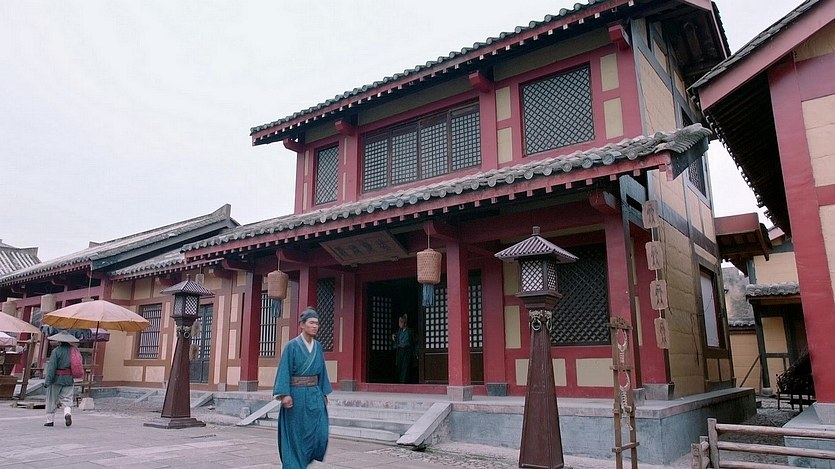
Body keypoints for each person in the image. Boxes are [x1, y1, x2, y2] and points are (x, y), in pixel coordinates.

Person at [272, 307, 333, 469]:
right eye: (311, 323)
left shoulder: (318, 347)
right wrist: (284, 394)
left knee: (319, 431)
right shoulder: (291, 346)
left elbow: (322, 370)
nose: (315, 326)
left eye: (317, 323)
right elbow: (284, 370)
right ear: (302, 325)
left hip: (314, 393)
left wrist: (324, 393)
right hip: (296, 395)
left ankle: (306, 458)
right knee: (296, 434)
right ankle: (294, 465)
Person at [43, 331, 78, 427]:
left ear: (59, 341)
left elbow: (51, 367)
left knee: (51, 399)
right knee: (67, 399)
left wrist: (48, 381)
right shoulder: (74, 351)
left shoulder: (56, 351)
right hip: (69, 378)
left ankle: (50, 420)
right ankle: (67, 413)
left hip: (56, 379)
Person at [392, 314, 416, 384]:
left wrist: (415, 352)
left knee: (405, 367)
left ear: (405, 323)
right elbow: (395, 335)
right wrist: (393, 335)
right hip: (400, 350)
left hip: (407, 350)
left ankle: (404, 382)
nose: (399, 324)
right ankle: (399, 381)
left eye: (401, 322)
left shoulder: (410, 331)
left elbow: (415, 341)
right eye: (399, 322)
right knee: (399, 366)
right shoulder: (399, 331)